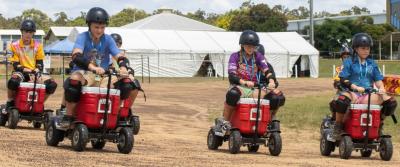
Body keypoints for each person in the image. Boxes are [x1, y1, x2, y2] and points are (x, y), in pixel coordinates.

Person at [59, 7, 136, 127]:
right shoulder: (82, 37)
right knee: (74, 79)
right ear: (89, 25)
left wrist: (123, 67)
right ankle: (68, 116)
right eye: (96, 27)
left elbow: (119, 56)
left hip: (103, 76)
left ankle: (118, 115)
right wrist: (92, 67)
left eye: (102, 27)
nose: (99, 30)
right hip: (85, 73)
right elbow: (76, 56)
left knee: (127, 83)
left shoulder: (108, 39)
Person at [214, 30, 285, 136]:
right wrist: (244, 82)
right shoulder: (235, 56)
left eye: (253, 46)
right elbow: (232, 75)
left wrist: (271, 81)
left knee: (275, 97)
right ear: (242, 45)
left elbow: (267, 70)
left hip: (255, 89)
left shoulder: (258, 56)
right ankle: (225, 122)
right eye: (248, 46)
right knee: (232, 94)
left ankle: (267, 124)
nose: (251, 48)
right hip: (240, 86)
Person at [332, 33, 397, 140]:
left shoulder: (372, 63)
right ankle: (338, 126)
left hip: (368, 94)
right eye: (363, 48)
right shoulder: (349, 62)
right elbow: (343, 79)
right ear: (356, 49)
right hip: (352, 93)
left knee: (391, 103)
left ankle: (379, 126)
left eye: (368, 48)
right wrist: (355, 87)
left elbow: (378, 80)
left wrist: (381, 88)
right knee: (342, 100)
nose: (366, 51)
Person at [5, 20, 57, 109]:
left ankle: (39, 103)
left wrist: (37, 70)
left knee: (52, 84)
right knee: (13, 81)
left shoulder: (38, 46)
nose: (28, 34)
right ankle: (10, 101)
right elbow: (16, 65)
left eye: (31, 32)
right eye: (26, 31)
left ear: (33, 33)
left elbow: (40, 63)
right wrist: (30, 71)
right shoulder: (14, 45)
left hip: (34, 72)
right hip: (20, 72)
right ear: (22, 32)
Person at [255, 44, 285, 119]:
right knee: (274, 98)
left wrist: (272, 85)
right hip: (253, 88)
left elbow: (274, 80)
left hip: (265, 89)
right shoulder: (248, 65)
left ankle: (271, 116)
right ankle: (265, 118)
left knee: (281, 97)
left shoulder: (268, 66)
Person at [329, 44, 352, 121]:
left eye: (348, 57)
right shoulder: (339, 69)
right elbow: (336, 79)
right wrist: (337, 83)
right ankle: (334, 120)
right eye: (344, 57)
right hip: (342, 90)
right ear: (342, 58)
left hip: (355, 91)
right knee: (334, 102)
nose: (346, 59)